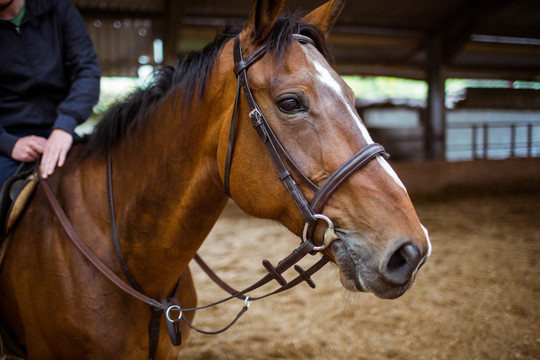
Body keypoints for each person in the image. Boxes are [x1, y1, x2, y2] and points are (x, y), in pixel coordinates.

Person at [0, 0, 100, 186]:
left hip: (61, 130)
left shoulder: (59, 10)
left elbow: (87, 71)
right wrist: (8, 143)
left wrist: (64, 127)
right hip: (9, 139)